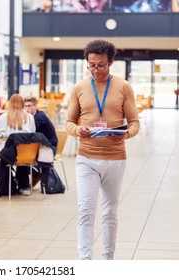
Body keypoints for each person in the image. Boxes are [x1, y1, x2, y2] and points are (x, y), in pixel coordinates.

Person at [65, 39, 140, 260]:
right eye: (92, 65)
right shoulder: (79, 88)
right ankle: (85, 263)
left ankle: (107, 260)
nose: (96, 70)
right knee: (86, 211)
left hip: (115, 158)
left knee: (109, 212)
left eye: (101, 65)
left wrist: (124, 134)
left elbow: (135, 122)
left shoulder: (124, 87)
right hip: (86, 158)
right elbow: (68, 123)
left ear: (111, 63)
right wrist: (78, 130)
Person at [0, 94, 36, 195]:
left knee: (12, 153)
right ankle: (24, 186)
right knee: (21, 151)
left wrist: (3, 134)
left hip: (11, 155)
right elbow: (33, 134)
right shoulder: (30, 117)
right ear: (23, 103)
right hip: (28, 154)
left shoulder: (4, 117)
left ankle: (5, 184)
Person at [24, 96, 58, 188]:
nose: (27, 108)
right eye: (25, 106)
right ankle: (25, 184)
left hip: (50, 148)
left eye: (29, 106)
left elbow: (30, 133)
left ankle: (28, 182)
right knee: (21, 157)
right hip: (39, 147)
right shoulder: (30, 117)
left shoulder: (39, 117)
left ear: (35, 106)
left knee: (23, 159)